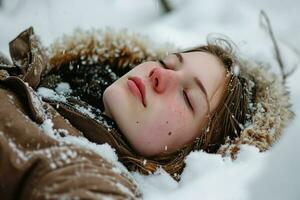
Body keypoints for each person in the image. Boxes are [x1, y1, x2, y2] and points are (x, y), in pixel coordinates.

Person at [0, 27, 293, 199]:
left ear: (199, 154)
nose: (158, 75)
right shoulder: (35, 82)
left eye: (188, 97)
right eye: (167, 63)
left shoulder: (85, 169)